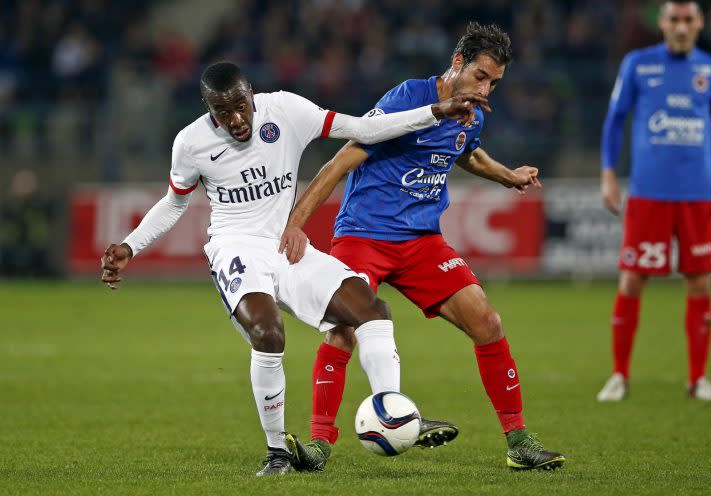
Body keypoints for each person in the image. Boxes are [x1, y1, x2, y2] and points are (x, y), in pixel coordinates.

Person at [100, 61, 489, 476]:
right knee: (268, 333)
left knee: (372, 311)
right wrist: (131, 245)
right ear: (208, 108)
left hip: (283, 246)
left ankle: (393, 411)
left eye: (240, 107)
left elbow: (366, 129)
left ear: (252, 94)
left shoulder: (286, 111)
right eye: (222, 112)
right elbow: (176, 200)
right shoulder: (191, 143)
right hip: (235, 248)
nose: (235, 120)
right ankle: (277, 452)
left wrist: (435, 112)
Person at [279, 22, 566, 471]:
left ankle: (519, 442)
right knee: (344, 327)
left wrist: (508, 175)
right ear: (457, 63)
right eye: (480, 76)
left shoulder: (473, 114)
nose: (486, 88)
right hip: (364, 236)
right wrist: (296, 222)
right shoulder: (406, 99)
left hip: (421, 242)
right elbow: (341, 159)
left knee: (487, 322)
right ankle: (318, 445)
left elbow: (466, 151)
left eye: (494, 82)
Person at [597, 0, 711, 402]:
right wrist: (609, 174)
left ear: (699, 24)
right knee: (632, 278)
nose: (680, 26)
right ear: (662, 23)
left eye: (688, 20)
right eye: (674, 19)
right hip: (648, 193)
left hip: (698, 194)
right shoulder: (638, 64)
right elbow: (614, 120)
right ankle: (619, 375)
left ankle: (698, 379)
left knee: (700, 283)